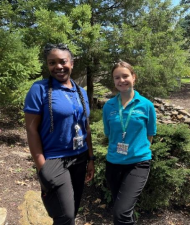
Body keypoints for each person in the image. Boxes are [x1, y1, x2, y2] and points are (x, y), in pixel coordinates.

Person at [24, 43, 95, 225]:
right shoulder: (39, 89)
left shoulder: (81, 92)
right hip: (54, 160)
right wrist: (42, 166)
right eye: (52, 62)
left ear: (71, 63)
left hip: (79, 158)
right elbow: (31, 130)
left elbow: (86, 127)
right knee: (65, 216)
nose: (58, 66)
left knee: (72, 211)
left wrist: (91, 158)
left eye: (62, 61)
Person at [102, 60, 157, 225]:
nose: (121, 80)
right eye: (117, 77)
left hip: (138, 163)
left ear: (134, 77)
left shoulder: (146, 105)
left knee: (121, 213)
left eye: (125, 76)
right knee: (125, 212)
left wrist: (139, 150)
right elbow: (109, 133)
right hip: (113, 163)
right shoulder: (109, 106)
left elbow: (150, 134)